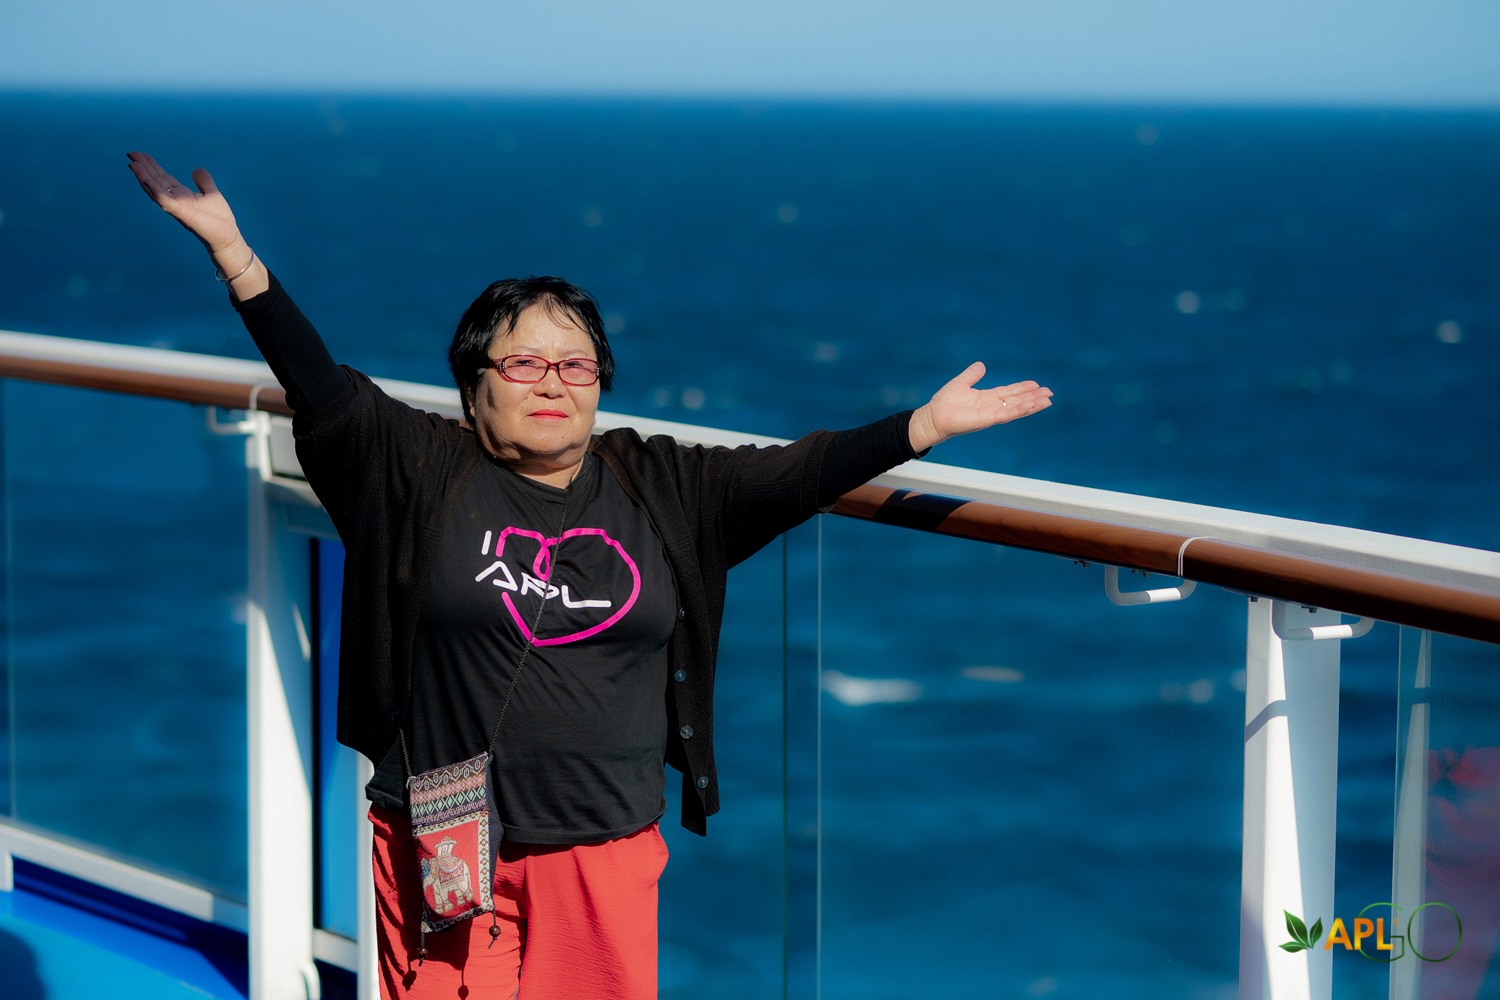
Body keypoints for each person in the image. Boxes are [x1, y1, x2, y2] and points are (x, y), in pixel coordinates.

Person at [127, 151, 1053, 1000]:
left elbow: (799, 471)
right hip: (446, 841)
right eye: (524, 362)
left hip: (603, 854)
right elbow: (323, 391)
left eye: (575, 364)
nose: (552, 383)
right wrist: (238, 258)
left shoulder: (664, 484)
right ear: (474, 385)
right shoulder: (419, 469)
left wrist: (921, 429)